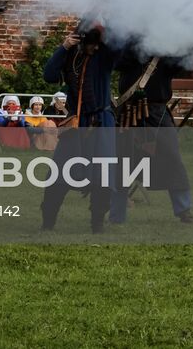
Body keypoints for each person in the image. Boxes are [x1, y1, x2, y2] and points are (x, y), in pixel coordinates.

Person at [40, 18, 119, 233]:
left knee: (103, 178)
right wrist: (64, 48)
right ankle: (48, 223)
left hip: (101, 122)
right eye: (90, 42)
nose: (94, 47)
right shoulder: (71, 54)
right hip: (75, 123)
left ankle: (97, 224)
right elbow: (49, 75)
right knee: (58, 175)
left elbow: (118, 45)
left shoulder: (105, 54)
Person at [111, 50, 193, 225]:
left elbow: (183, 64)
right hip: (128, 112)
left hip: (157, 112)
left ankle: (184, 210)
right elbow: (116, 62)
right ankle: (116, 215)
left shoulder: (166, 54)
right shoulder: (130, 51)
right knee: (122, 164)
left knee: (173, 160)